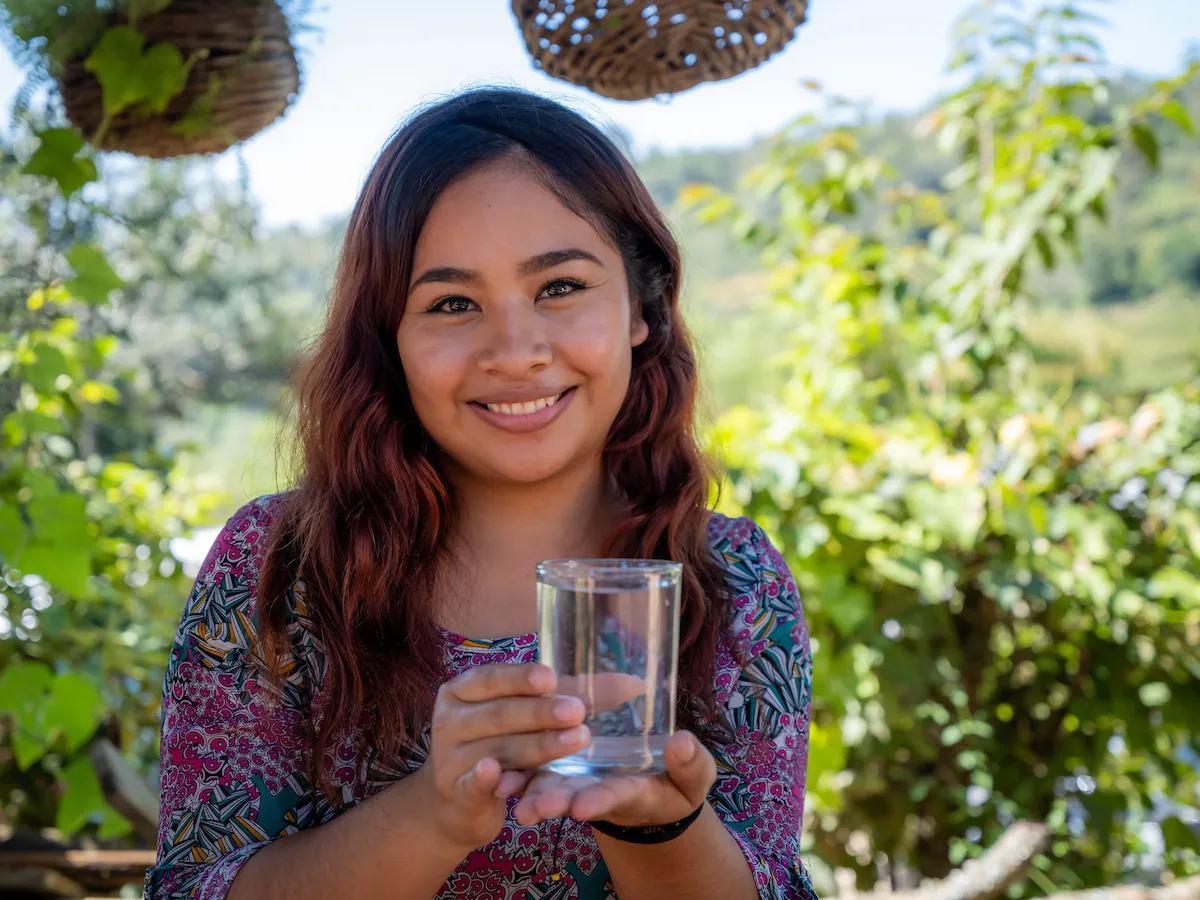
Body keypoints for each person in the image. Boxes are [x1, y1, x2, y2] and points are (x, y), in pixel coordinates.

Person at [144, 87, 817, 900]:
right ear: (387, 339)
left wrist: (659, 826)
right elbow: (193, 890)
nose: (515, 350)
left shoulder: (733, 584)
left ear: (642, 307)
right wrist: (431, 815)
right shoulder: (277, 571)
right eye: (452, 303)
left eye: (561, 287)